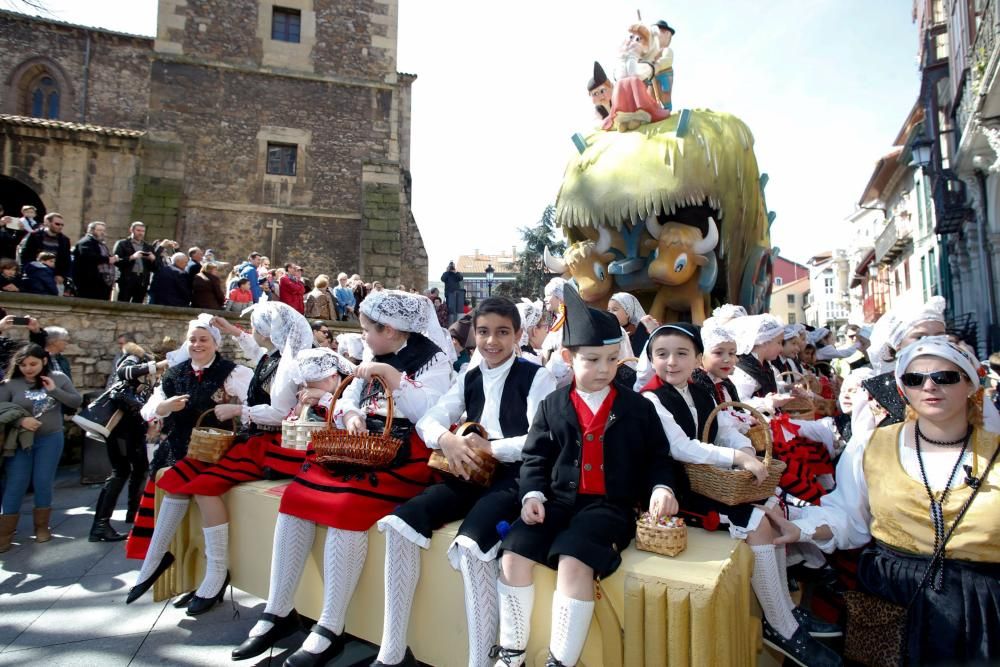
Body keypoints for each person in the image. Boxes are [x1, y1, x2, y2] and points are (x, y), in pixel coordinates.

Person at [232, 291, 451, 665]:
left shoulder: (434, 358)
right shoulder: (373, 353)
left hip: (402, 451)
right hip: (361, 444)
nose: (363, 336)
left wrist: (396, 379)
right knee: (296, 499)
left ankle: (330, 627)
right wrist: (350, 415)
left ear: (392, 330)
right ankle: (278, 608)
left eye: (369, 329)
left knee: (347, 507)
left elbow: (432, 412)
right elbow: (349, 395)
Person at [771, 337, 1000, 664]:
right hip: (891, 595)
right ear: (903, 389)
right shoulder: (873, 446)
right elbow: (848, 518)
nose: (929, 386)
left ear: (969, 385)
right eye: (915, 378)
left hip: (979, 604)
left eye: (945, 377)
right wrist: (802, 529)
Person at [490, 285, 680, 667]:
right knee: (511, 555)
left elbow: (661, 456)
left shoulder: (638, 408)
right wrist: (532, 496)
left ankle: (560, 660)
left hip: (609, 507)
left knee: (575, 559)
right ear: (568, 357)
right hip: (558, 503)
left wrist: (663, 486)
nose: (605, 369)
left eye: (612, 359)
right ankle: (512, 652)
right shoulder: (552, 405)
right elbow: (534, 459)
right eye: (592, 360)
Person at [638, 323, 841, 667]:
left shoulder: (701, 392)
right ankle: (779, 627)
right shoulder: (651, 398)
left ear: (697, 359)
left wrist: (747, 450)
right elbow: (682, 447)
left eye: (682, 353)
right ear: (651, 358)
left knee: (773, 505)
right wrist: (738, 458)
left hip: (710, 480)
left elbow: (726, 429)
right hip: (680, 487)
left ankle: (786, 612)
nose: (671, 362)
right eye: (662, 354)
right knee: (758, 520)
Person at [372, 297, 557, 666]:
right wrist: (448, 440)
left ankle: (481, 660)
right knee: (399, 523)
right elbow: (431, 418)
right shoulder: (469, 376)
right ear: (474, 333)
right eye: (484, 332)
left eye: (503, 332)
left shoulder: (538, 375)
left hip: (517, 475)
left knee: (472, 544)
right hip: (469, 470)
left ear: (518, 334)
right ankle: (391, 650)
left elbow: (542, 437)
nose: (492, 341)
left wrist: (492, 448)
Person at [124, 316, 254, 607]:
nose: (196, 345)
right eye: (192, 340)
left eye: (203, 339)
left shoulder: (233, 372)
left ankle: (213, 572)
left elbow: (254, 405)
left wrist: (234, 408)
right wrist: (164, 407)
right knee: (176, 491)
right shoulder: (174, 373)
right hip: (177, 449)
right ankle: (161, 562)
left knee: (196, 492)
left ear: (215, 343)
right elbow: (148, 411)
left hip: (215, 449)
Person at [0, 344, 81, 550]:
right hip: (19, 441)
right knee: (16, 483)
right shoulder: (10, 384)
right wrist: (20, 422)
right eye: (23, 364)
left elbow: (75, 401)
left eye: (33, 363)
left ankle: (42, 527)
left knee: (43, 482)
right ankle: (5, 532)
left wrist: (54, 391)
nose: (28, 368)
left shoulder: (58, 378)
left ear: (44, 361)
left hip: (50, 439)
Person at [88, 341, 167, 541]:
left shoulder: (145, 366)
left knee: (139, 468)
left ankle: (134, 513)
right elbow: (124, 372)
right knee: (120, 471)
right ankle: (100, 525)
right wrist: (154, 366)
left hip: (131, 427)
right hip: (121, 428)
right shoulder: (136, 357)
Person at [17, 212, 71, 288]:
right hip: (35, 274)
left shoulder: (64, 240)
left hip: (55, 276)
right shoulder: (35, 235)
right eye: (57, 224)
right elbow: (25, 255)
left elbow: (66, 260)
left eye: (62, 225)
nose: (60, 227)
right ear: (48, 223)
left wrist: (61, 275)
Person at [111, 222, 157, 303]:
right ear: (131, 230)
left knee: (138, 304)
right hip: (127, 278)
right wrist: (132, 257)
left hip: (142, 280)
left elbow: (154, 268)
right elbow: (116, 261)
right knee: (123, 302)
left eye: (143, 231)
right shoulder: (122, 244)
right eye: (138, 230)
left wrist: (153, 259)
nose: (140, 233)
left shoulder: (148, 247)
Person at [72, 221, 118, 300]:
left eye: (103, 230)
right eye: (100, 230)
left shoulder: (100, 244)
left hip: (102, 282)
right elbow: (88, 257)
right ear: (91, 230)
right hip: (89, 283)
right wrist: (108, 259)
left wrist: (113, 258)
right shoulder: (85, 242)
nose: (103, 233)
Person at [607, 292, 658, 357]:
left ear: (627, 312)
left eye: (615, 310)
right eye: (608, 310)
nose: (610, 314)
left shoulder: (640, 333)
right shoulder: (607, 331)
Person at [515, 299, 547, 365]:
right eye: (545, 327)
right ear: (535, 330)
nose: (547, 331)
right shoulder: (531, 361)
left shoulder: (521, 355)